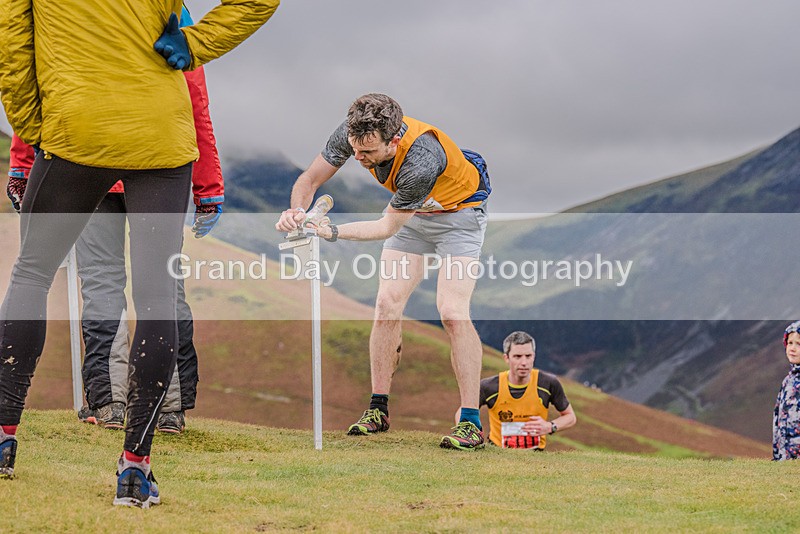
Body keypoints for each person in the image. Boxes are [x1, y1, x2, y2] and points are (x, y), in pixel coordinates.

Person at [0, 0, 279, 508]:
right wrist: (195, 43)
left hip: (74, 129)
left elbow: (15, 53)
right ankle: (135, 469)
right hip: (160, 136)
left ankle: (4, 437)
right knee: (155, 296)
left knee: (33, 276)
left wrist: (37, 132)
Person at [7, 6, 223, 435]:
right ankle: (168, 407)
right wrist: (208, 185)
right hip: (160, 163)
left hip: (85, 162)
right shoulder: (170, 9)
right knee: (164, 287)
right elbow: (194, 98)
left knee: (101, 281)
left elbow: (36, 78)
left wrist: (23, 161)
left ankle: (108, 402)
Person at [276, 93, 492, 450]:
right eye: (355, 150)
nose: (358, 159)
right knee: (387, 304)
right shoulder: (354, 133)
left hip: (459, 218)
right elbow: (310, 179)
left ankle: (469, 422)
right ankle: (378, 409)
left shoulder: (422, 159)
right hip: (414, 216)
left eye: (369, 153)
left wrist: (330, 230)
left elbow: (386, 227)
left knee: (452, 312)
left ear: (393, 140)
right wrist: (297, 212)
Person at [479, 331, 576, 449]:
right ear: (506, 358)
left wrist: (550, 426)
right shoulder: (489, 386)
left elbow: (570, 417)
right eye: (517, 357)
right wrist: (473, 435)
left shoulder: (548, 383)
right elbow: (464, 411)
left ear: (534, 356)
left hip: (535, 456)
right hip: (498, 453)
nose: (524, 363)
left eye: (528, 356)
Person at [773, 321, 800, 461]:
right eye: (790, 343)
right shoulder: (788, 381)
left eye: (799, 344)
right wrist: (778, 454)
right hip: (785, 455)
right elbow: (779, 415)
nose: (793, 348)